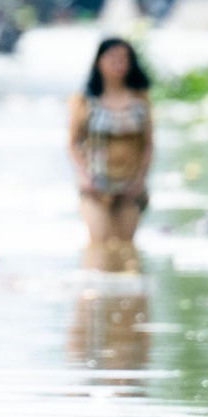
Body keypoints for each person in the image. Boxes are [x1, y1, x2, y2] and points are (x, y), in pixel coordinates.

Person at [68, 37, 153, 273]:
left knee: (125, 246)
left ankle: (126, 295)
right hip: (95, 184)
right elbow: (73, 143)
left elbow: (148, 144)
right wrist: (83, 176)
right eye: (112, 58)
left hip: (130, 184)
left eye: (123, 58)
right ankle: (96, 294)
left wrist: (141, 179)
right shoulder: (84, 101)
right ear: (99, 62)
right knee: (100, 244)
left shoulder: (140, 99)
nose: (118, 64)